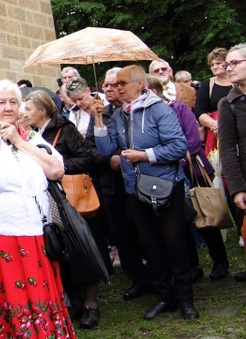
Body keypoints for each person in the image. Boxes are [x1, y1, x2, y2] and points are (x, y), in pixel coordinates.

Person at [0, 80, 73, 338]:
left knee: (38, 300)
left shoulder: (32, 138)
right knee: (3, 303)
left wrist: (19, 141)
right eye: (1, 103)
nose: (9, 108)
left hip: (35, 235)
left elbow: (56, 170)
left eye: (13, 102)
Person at [92, 65, 197, 320]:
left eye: (121, 84)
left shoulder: (159, 109)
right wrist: (97, 118)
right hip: (134, 189)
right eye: (113, 85)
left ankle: (186, 299)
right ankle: (165, 296)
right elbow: (107, 150)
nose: (116, 89)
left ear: (140, 84)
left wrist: (145, 155)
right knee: (150, 244)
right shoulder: (118, 115)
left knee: (174, 242)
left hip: (165, 185)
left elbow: (178, 146)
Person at [23, 88, 107, 329]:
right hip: (50, 202)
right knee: (63, 252)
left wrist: (58, 167)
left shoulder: (64, 129)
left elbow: (88, 157)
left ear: (42, 109)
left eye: (28, 109)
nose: (25, 113)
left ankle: (91, 304)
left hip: (72, 201)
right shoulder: (29, 133)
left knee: (82, 251)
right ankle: (76, 303)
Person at [147, 75, 229, 281]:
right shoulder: (144, 117)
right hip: (168, 178)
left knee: (206, 215)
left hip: (193, 170)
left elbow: (192, 141)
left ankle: (220, 261)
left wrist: (168, 158)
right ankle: (192, 266)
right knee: (181, 222)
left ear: (155, 91)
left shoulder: (180, 109)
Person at [95, 68, 151, 301]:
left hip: (142, 180)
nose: (110, 89)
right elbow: (91, 147)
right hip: (112, 183)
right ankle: (137, 278)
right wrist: (110, 158)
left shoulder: (143, 110)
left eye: (115, 84)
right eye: (105, 86)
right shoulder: (101, 113)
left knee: (147, 231)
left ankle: (159, 273)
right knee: (122, 233)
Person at [218, 43, 246, 281]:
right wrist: (237, 188)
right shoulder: (228, 103)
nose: (229, 68)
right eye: (227, 64)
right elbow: (226, 148)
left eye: (235, 62)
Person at [195, 48, 231, 156]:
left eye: (218, 63)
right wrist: (214, 124)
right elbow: (199, 111)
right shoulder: (208, 84)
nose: (215, 67)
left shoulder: (238, 82)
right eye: (212, 65)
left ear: (227, 63)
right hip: (215, 131)